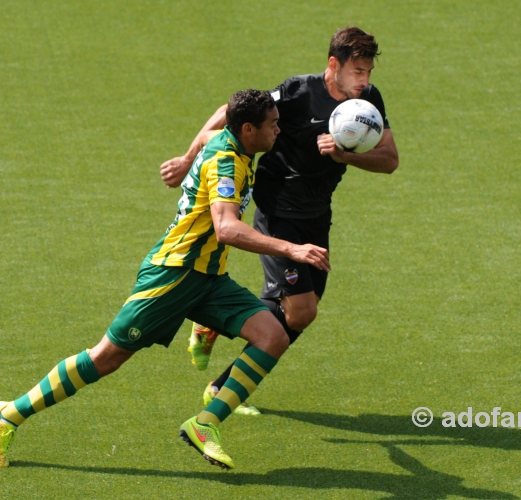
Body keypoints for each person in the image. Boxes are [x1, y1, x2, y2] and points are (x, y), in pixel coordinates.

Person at [0, 89, 330, 470]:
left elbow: (205, 134)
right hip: (174, 274)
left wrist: (184, 162)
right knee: (107, 358)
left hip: (208, 278)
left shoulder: (231, 141)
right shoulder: (226, 162)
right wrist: (293, 249)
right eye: (273, 125)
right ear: (247, 129)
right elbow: (227, 229)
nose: (279, 130)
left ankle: (206, 424)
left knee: (273, 336)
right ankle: (9, 414)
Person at [160, 26, 399, 414]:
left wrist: (345, 156)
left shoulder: (367, 101)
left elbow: (390, 160)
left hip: (317, 215)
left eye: (369, 72)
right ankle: (223, 391)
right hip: (278, 213)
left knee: (297, 315)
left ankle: (213, 328)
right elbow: (230, 114)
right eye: (358, 71)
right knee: (301, 311)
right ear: (333, 65)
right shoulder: (298, 92)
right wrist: (189, 159)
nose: (365, 81)